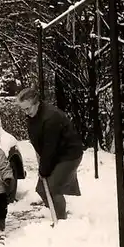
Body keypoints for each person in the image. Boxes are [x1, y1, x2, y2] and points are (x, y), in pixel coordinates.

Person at [15, 87, 84, 220]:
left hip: (68, 154)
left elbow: (49, 147)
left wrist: (44, 169)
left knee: (52, 188)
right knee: (41, 189)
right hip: (55, 154)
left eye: (27, 108)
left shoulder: (51, 117)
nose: (25, 112)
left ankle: (61, 219)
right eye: (22, 109)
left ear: (37, 103)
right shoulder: (34, 114)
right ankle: (56, 210)